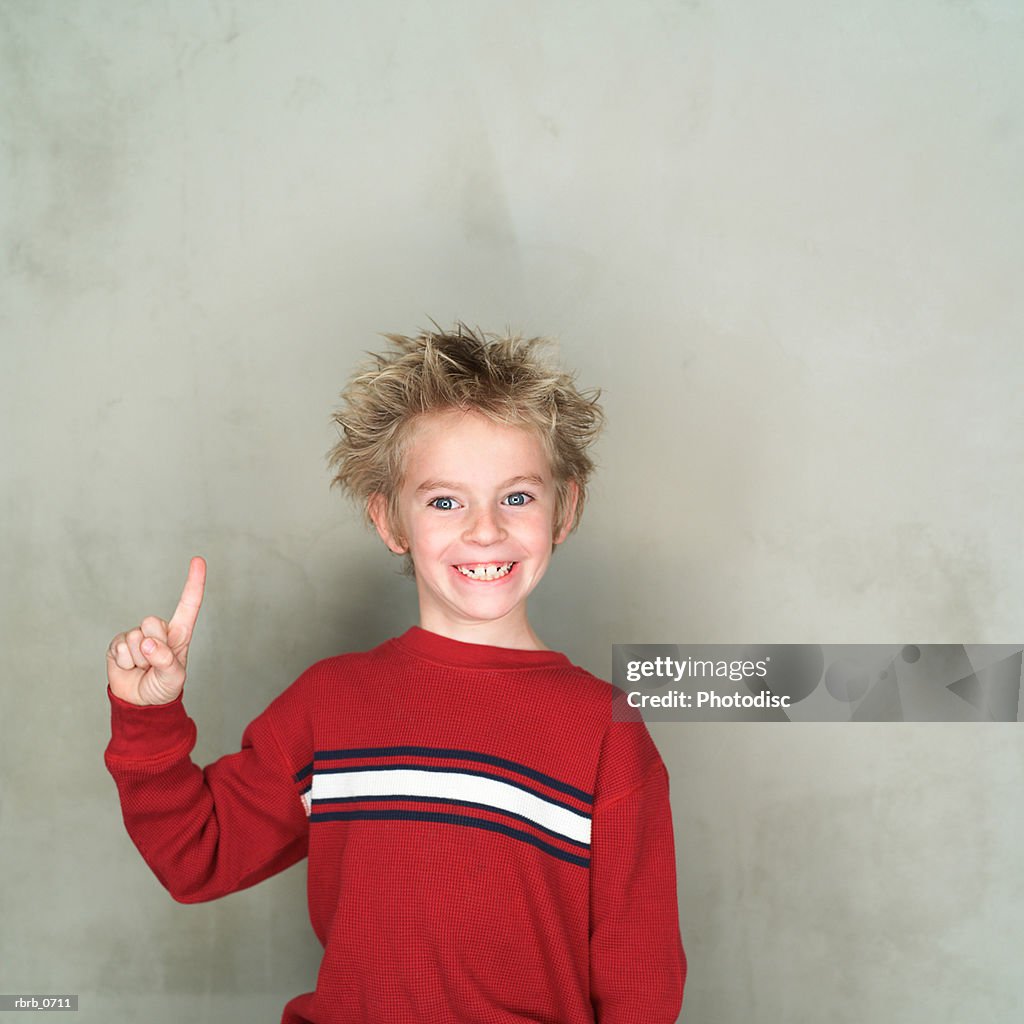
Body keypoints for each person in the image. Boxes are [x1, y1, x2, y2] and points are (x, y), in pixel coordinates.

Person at [104, 324, 686, 1023]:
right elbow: (196, 856)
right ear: (390, 521)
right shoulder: (332, 703)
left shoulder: (605, 732)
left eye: (518, 497)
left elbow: (640, 978)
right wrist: (147, 718)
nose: (484, 530)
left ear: (566, 507)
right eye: (444, 500)